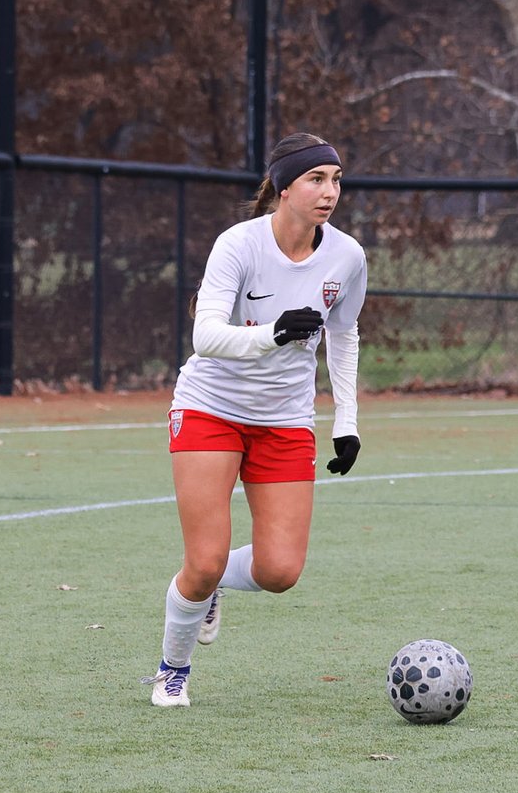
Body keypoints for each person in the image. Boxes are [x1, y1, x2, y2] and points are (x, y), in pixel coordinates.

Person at [141, 132, 367, 707]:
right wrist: (271, 334)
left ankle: (217, 587)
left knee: (280, 571)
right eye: (316, 180)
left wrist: (348, 421)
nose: (329, 192)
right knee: (205, 559)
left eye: (336, 180)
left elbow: (344, 336)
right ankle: (173, 670)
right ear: (284, 187)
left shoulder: (347, 256)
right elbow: (204, 335)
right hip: (210, 408)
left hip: (285, 419)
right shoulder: (238, 245)